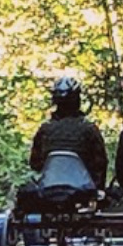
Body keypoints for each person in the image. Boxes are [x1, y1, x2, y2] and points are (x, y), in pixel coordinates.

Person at [16, 76, 107, 210]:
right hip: (82, 194)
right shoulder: (89, 130)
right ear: (77, 100)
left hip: (48, 193)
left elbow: (35, 164)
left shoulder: (45, 130)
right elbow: (100, 166)